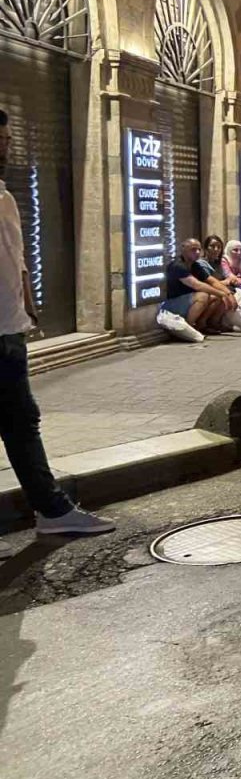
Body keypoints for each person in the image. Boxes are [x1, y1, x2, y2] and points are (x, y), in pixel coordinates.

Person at [0, 107, 114, 558]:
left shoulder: (5, 196)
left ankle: (51, 509)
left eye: (7, 140)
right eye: (1, 141)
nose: (6, 147)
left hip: (8, 331)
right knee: (21, 422)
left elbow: (16, 257)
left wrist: (27, 305)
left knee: (22, 422)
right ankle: (51, 508)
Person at [162, 239, 230, 333]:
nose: (197, 252)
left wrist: (227, 293)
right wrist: (221, 293)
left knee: (216, 297)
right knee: (203, 295)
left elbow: (212, 281)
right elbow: (197, 285)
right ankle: (187, 328)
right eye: (193, 249)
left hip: (189, 301)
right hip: (173, 304)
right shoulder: (177, 266)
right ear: (183, 249)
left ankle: (202, 325)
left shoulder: (195, 265)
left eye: (199, 249)